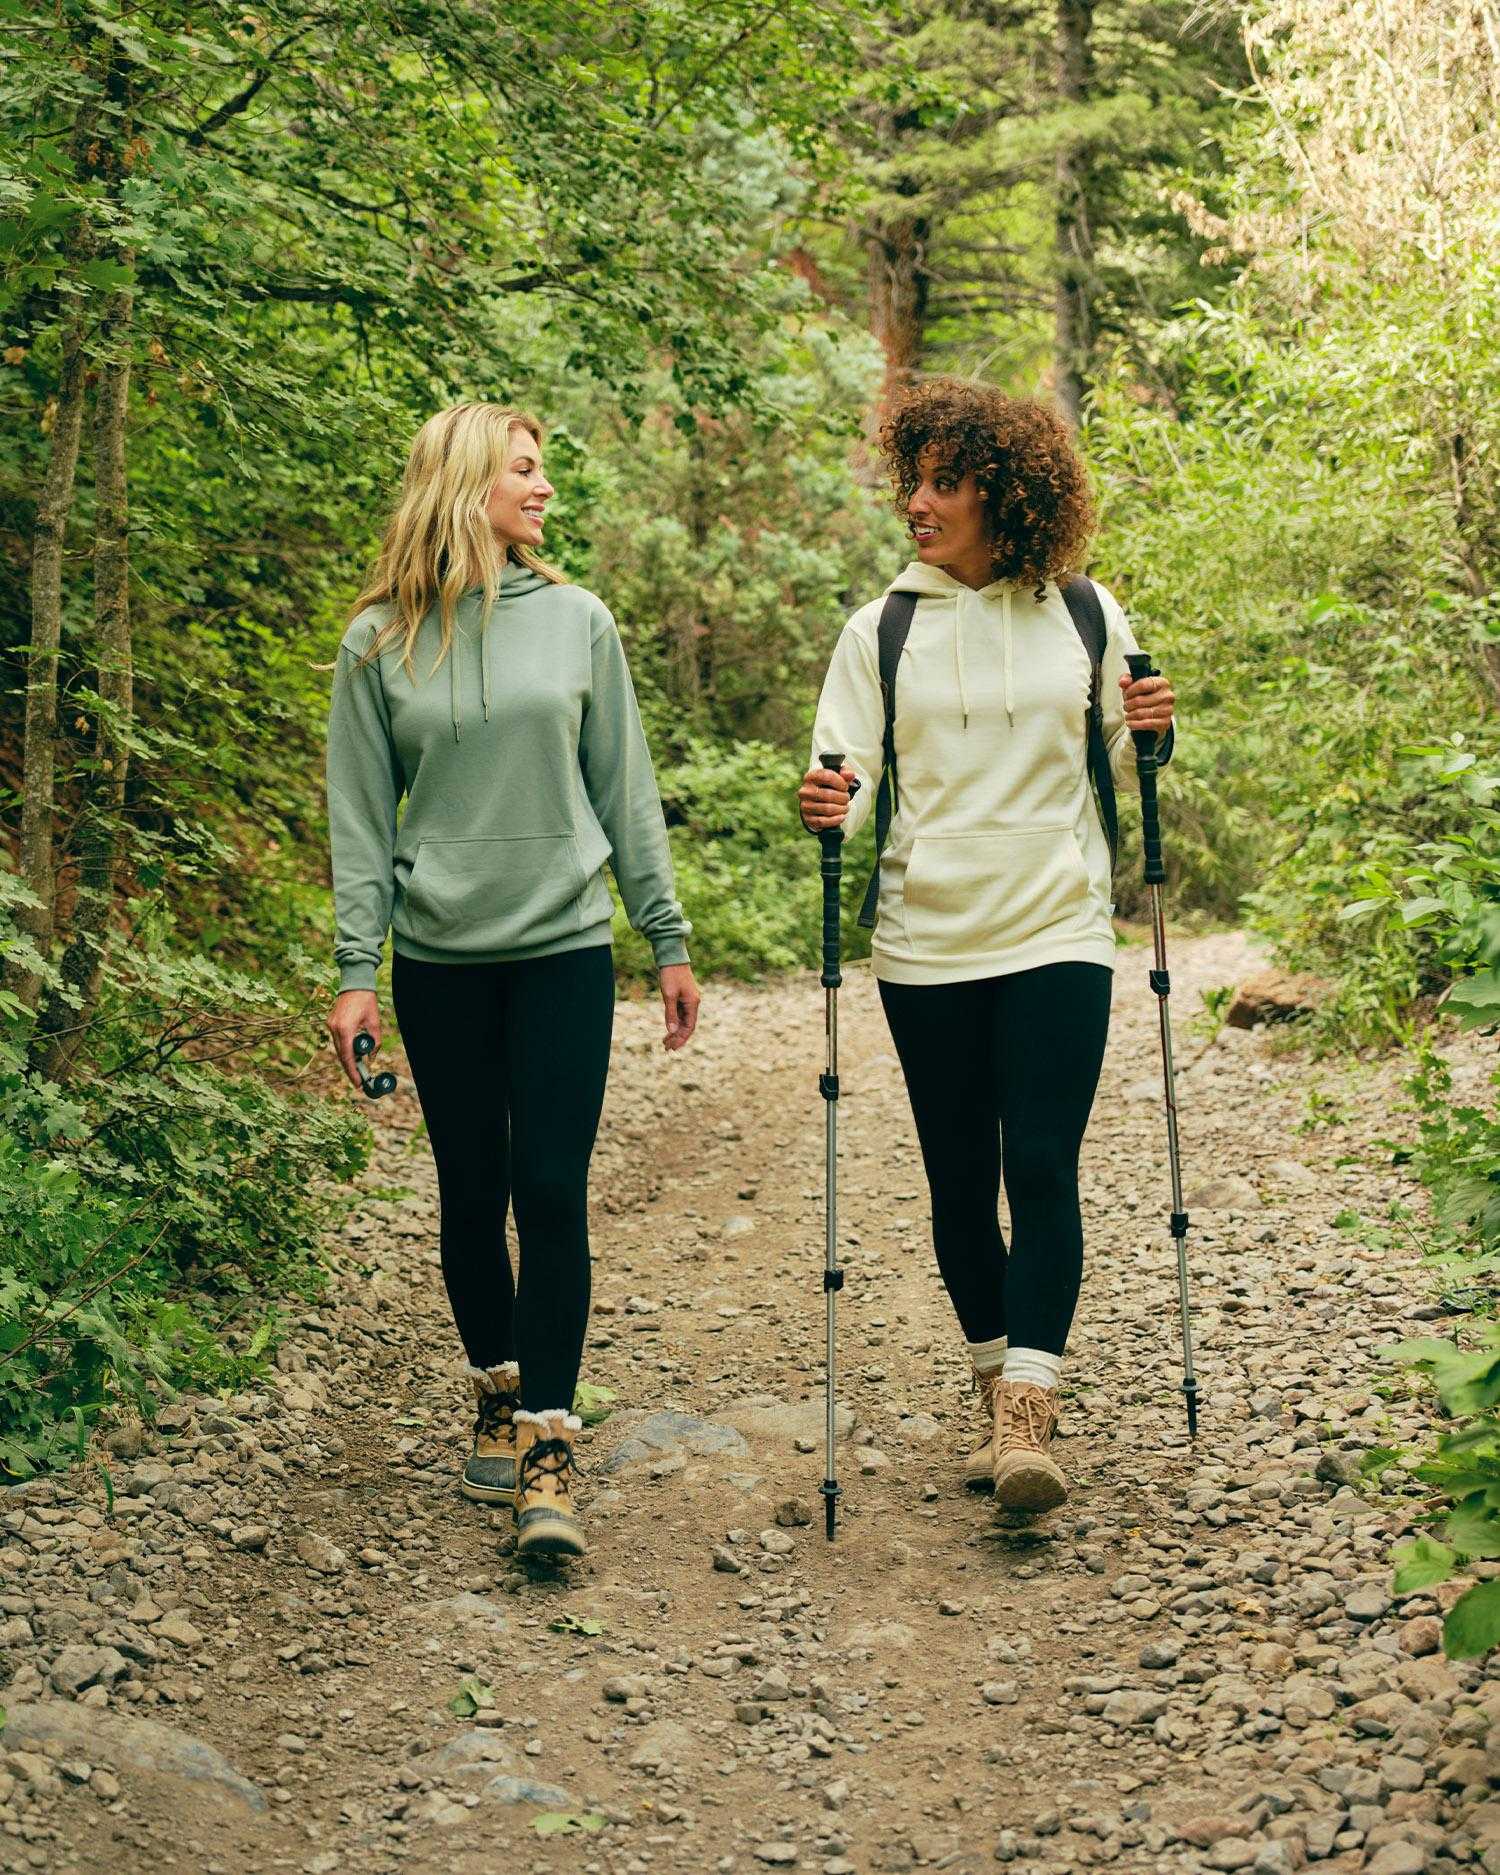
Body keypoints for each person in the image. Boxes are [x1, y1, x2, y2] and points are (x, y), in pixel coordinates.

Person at [325, 401, 700, 1559]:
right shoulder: (378, 642)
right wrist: (355, 972)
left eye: (544, 472)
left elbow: (624, 787)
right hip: (440, 957)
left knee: (550, 1186)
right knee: (471, 1187)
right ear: (466, 481)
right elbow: (355, 817)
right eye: (525, 471)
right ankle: (495, 1379)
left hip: (564, 950)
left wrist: (666, 934)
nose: (543, 490)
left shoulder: (580, 624)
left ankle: (549, 1440)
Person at [798, 377, 1175, 1513]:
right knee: (959, 1181)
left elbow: (1128, 750)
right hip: (927, 940)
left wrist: (1155, 733)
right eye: (914, 479)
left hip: (1059, 923)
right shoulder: (882, 630)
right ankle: (989, 1374)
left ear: (1003, 497)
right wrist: (830, 800)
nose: (918, 501)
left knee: (1041, 1164)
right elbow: (845, 768)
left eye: (944, 483)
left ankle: (1027, 1415)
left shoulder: (1087, 612)